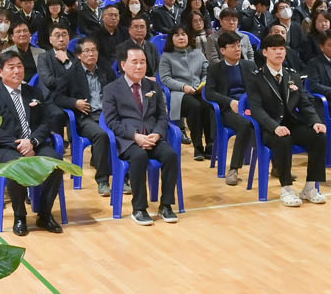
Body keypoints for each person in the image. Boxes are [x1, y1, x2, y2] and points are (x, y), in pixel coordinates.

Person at [246, 33, 327, 207]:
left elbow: (304, 103)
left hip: (291, 124)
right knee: (284, 140)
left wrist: (316, 121)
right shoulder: (255, 77)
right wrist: (274, 127)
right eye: (274, 49)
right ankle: (287, 189)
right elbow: (256, 109)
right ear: (265, 52)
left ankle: (310, 187)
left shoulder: (292, 75)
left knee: (319, 136)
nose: (279, 52)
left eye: (281, 49)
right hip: (268, 128)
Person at [0, 49, 63, 236]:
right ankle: (20, 216)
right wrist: (20, 145)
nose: (17, 71)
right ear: (0, 72)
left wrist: (33, 142)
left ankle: (44, 214)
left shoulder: (33, 92)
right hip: (7, 147)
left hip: (35, 143)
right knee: (16, 166)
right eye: (11, 67)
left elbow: (46, 121)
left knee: (56, 164)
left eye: (19, 66)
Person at [103, 45, 180, 225]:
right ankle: (139, 208)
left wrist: (158, 134)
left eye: (143, 62)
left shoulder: (154, 86)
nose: (139, 66)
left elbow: (162, 116)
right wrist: (135, 136)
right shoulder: (111, 89)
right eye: (134, 62)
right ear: (123, 65)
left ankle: (166, 205)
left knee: (170, 155)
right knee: (139, 156)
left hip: (152, 138)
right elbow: (112, 121)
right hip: (128, 140)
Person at [50, 36, 114, 195]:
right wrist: (75, 103)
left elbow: (118, 88)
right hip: (85, 117)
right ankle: (102, 180)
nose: (91, 54)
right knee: (101, 135)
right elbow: (57, 97)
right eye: (86, 51)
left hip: (107, 114)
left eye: (94, 50)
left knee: (124, 131)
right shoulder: (71, 73)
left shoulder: (105, 69)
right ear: (78, 55)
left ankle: (123, 178)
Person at [203, 30, 257, 187]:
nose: (237, 49)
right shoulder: (215, 68)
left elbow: (258, 88)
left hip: (249, 107)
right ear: (222, 50)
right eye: (233, 46)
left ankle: (278, 165)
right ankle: (234, 169)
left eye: (239, 45)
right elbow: (209, 93)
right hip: (228, 110)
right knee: (245, 124)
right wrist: (229, 102)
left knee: (272, 120)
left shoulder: (249, 65)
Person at [158, 25, 211, 161]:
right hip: (179, 94)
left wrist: (203, 83)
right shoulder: (167, 56)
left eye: (183, 34)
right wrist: (184, 87)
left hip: (199, 90)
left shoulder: (198, 53)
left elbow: (207, 71)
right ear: (172, 39)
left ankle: (210, 145)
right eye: (177, 35)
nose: (181, 37)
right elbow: (165, 79)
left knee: (208, 105)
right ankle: (198, 147)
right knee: (195, 107)